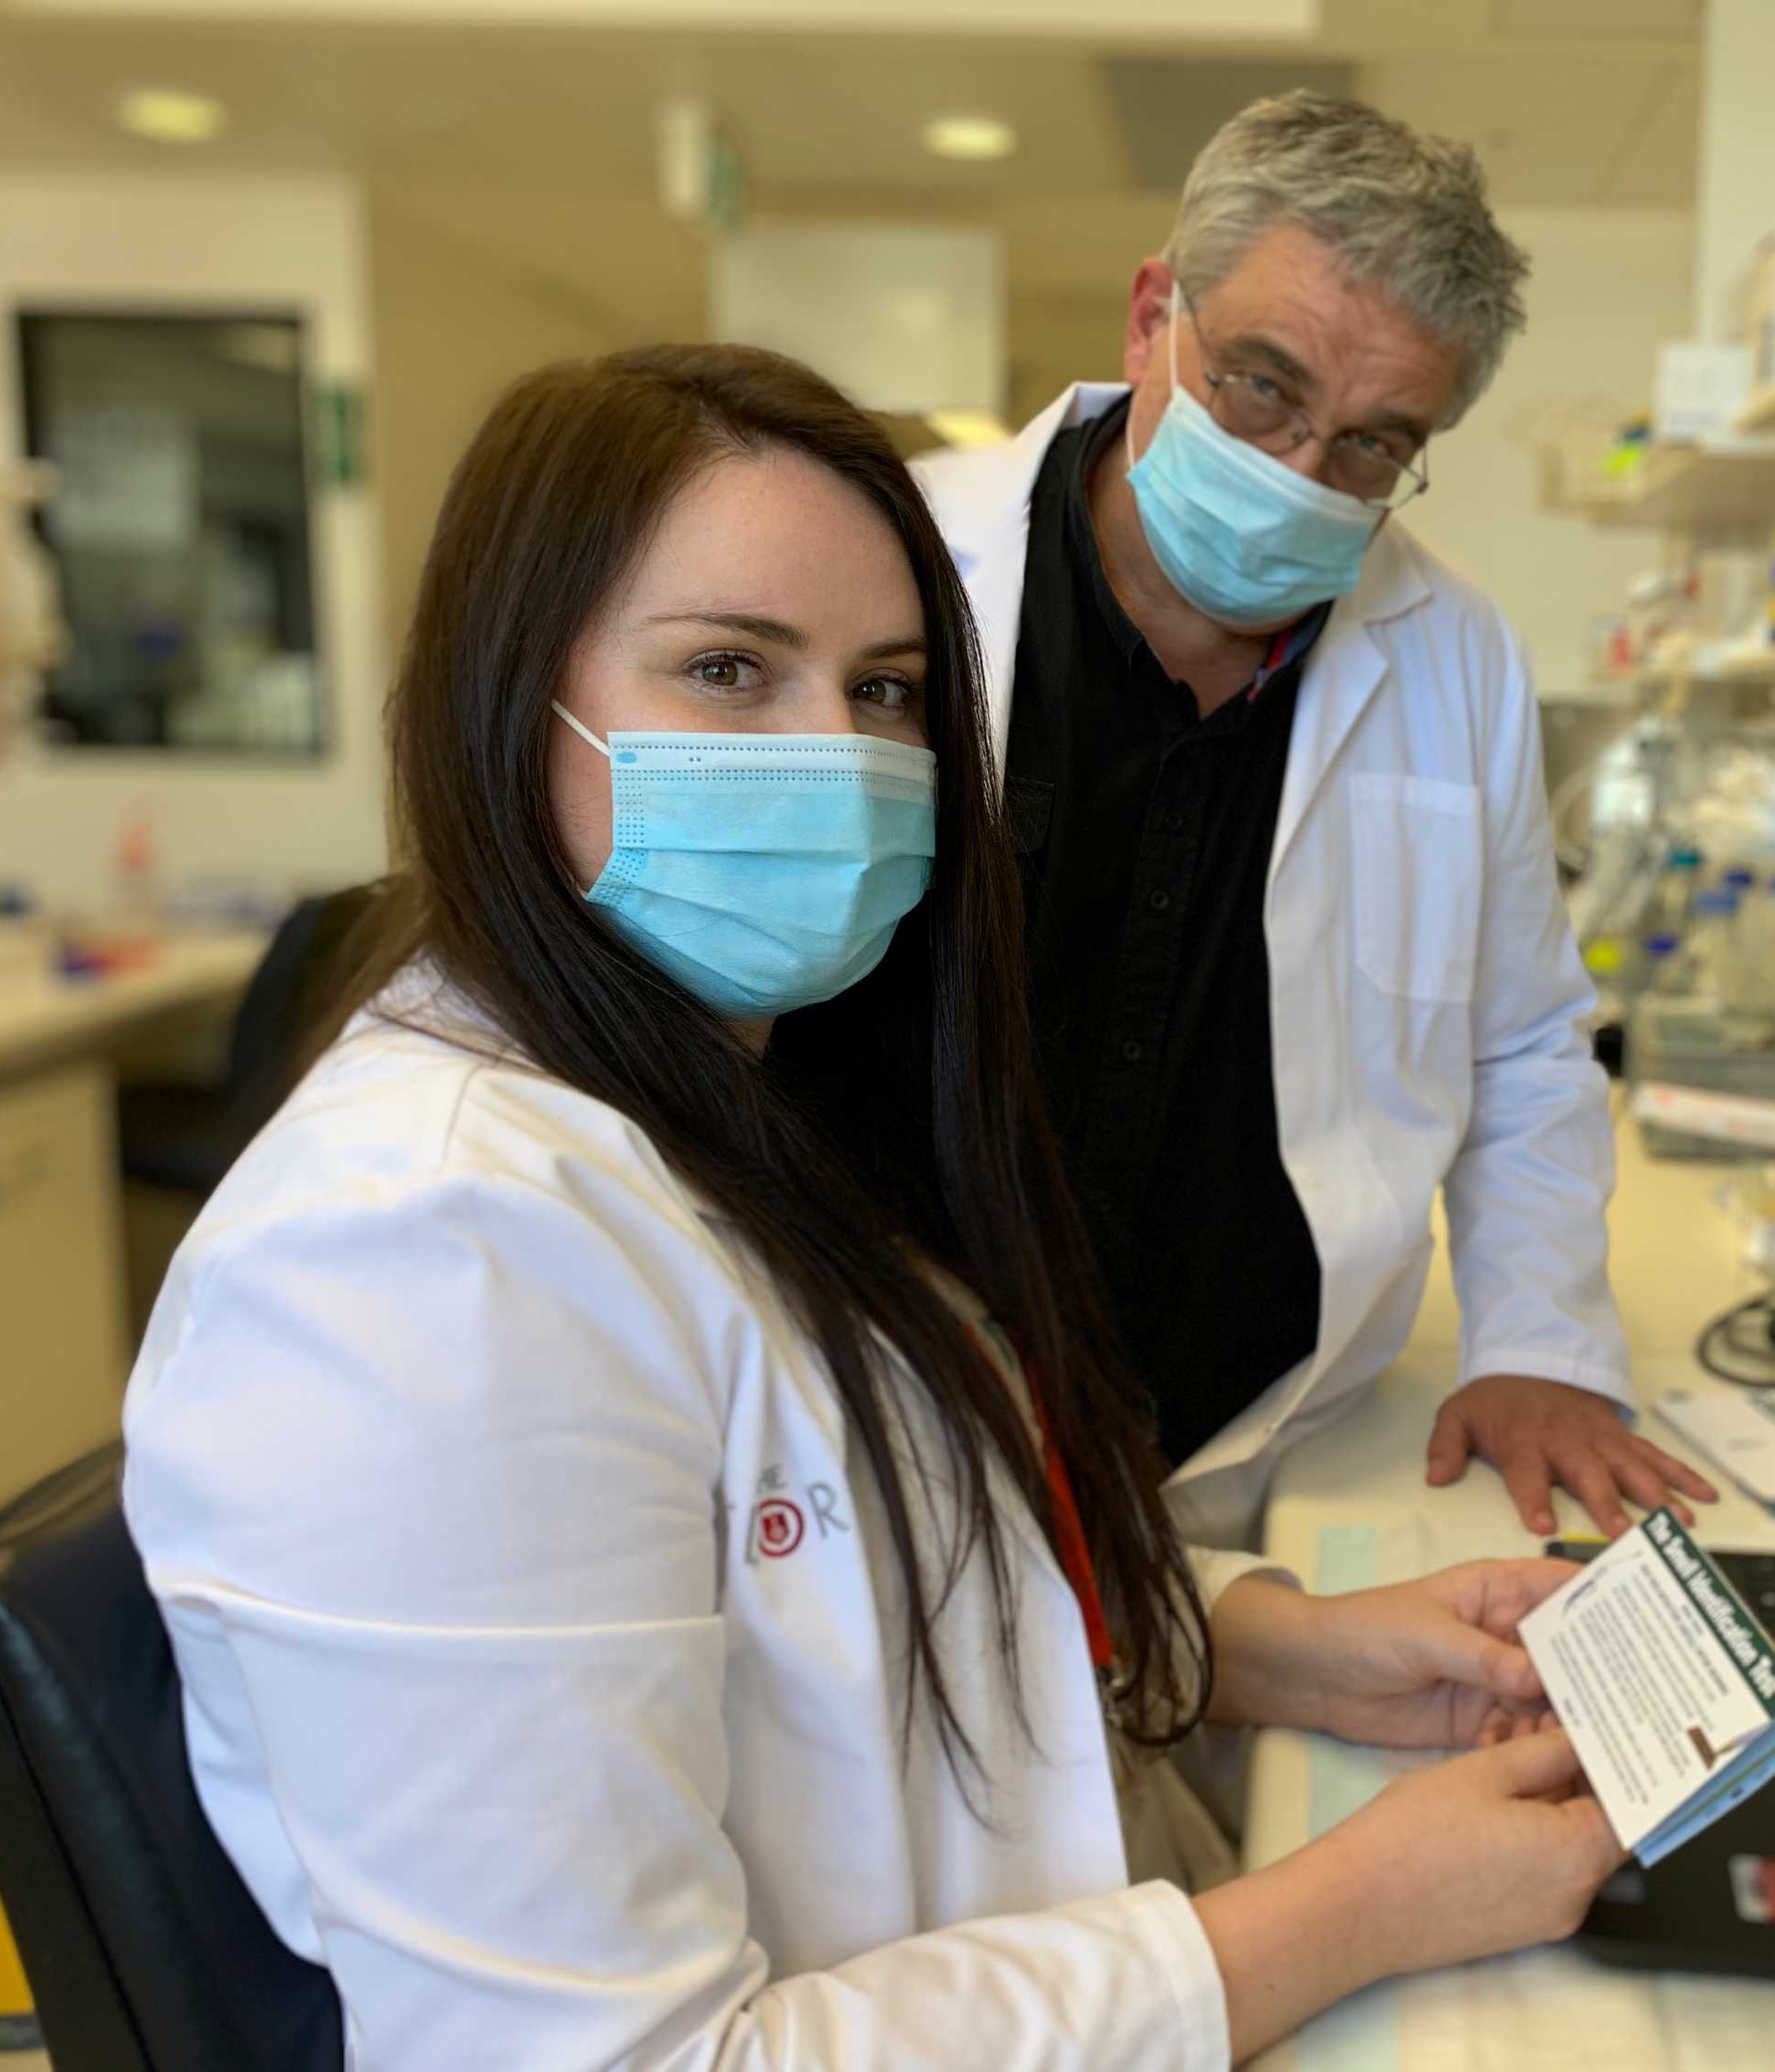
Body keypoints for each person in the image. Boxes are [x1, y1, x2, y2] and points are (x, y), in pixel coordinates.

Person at [120, 344, 1622, 2070]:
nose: (831, 756)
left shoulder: (739, 1090)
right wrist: (1362, 1900)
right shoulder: (417, 1259)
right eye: (728, 670)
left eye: (889, 690)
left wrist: (1284, 1651)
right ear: (507, 694)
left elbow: (866, 1588)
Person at [775, 92, 1717, 1548]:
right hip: (876, 1423)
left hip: (1252, 1454)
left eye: (1369, 445)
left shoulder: (1451, 650)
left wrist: (1543, 1343)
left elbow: (1523, 1040)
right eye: (1261, 388)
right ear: (1155, 316)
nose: (1298, 473)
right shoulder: (898, 565)